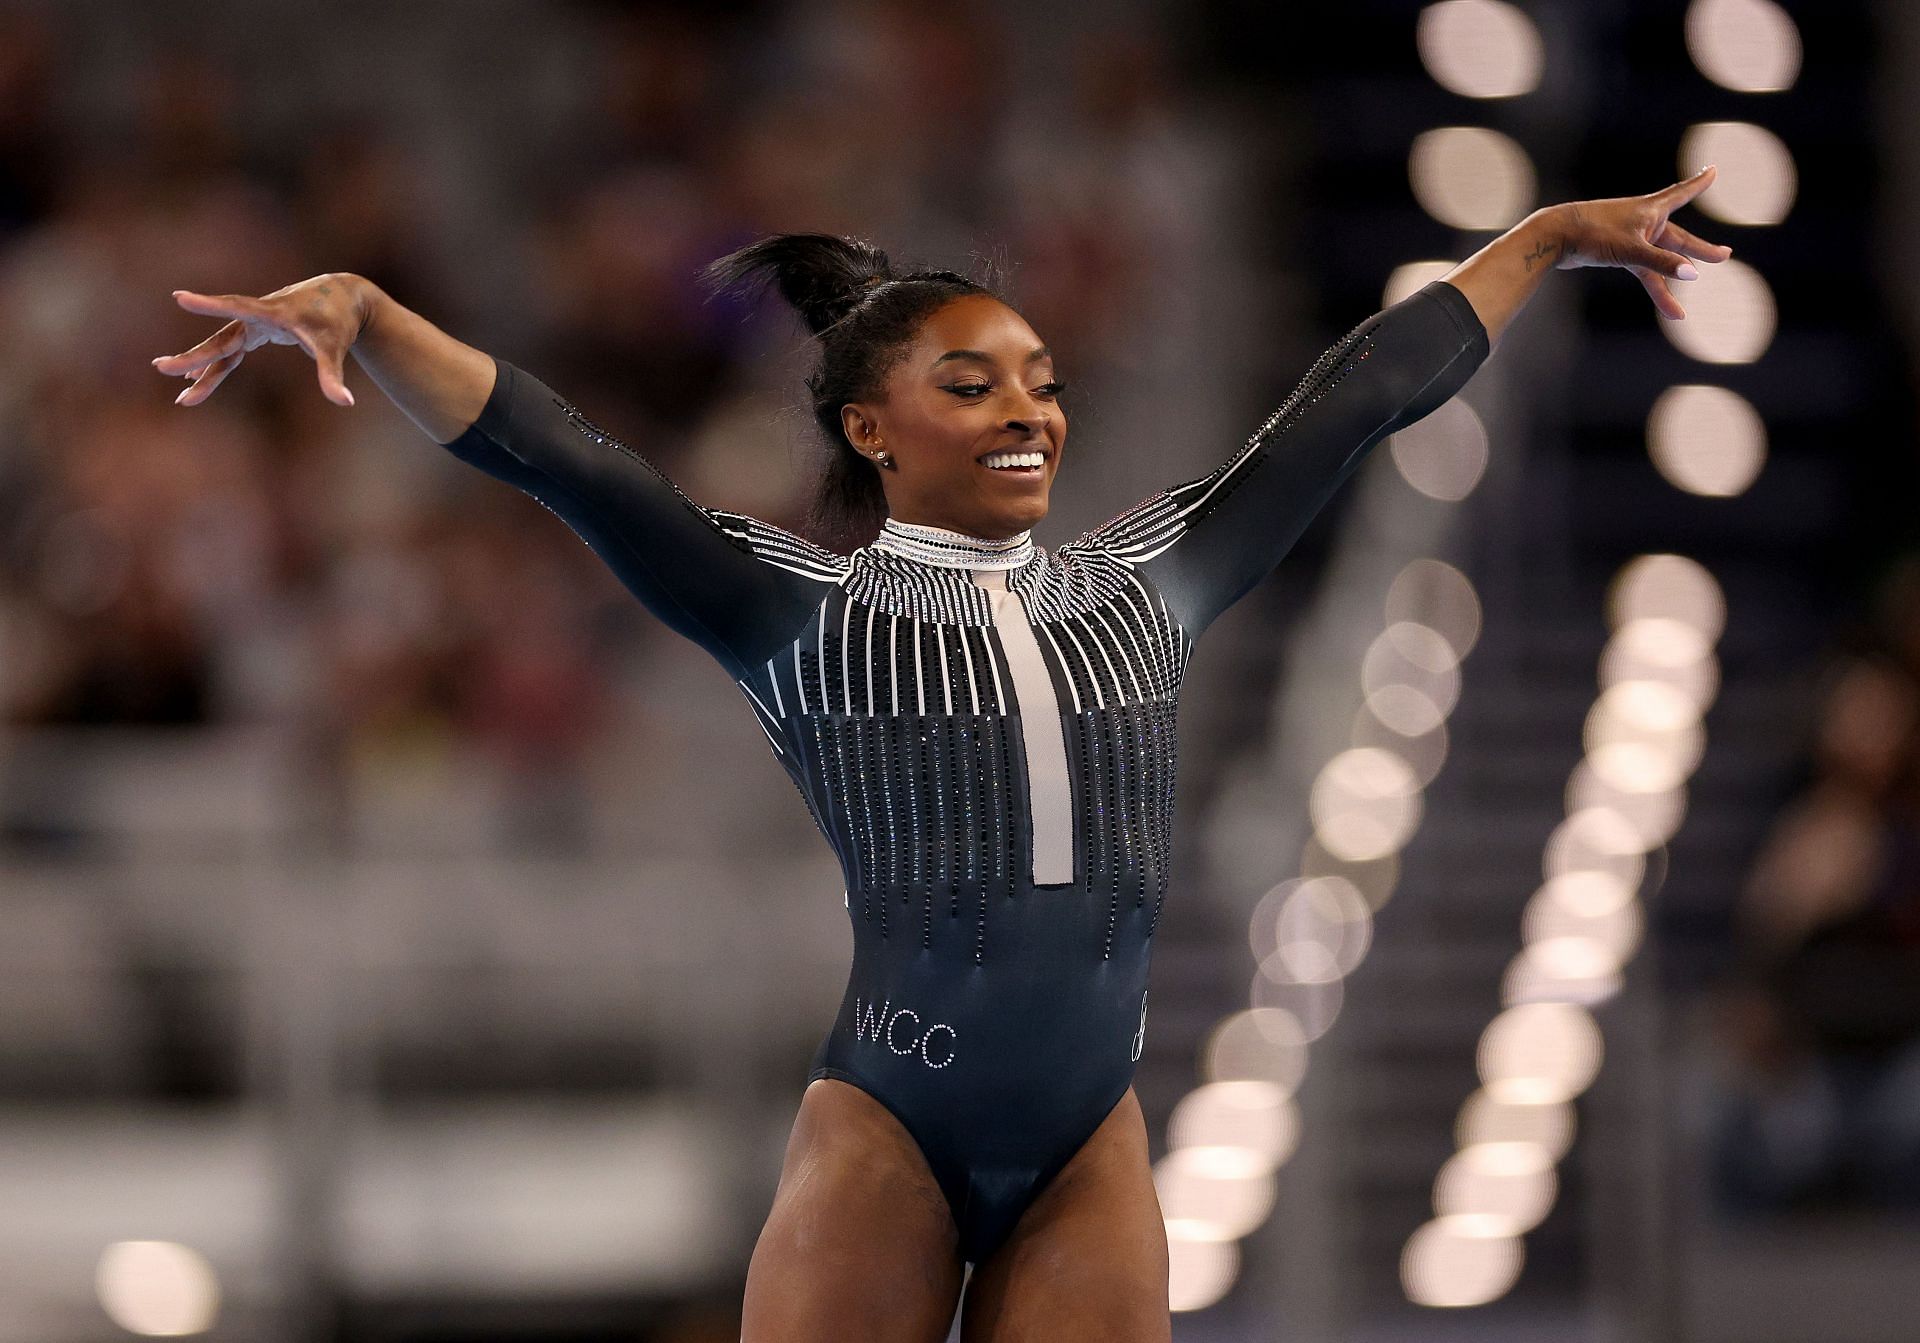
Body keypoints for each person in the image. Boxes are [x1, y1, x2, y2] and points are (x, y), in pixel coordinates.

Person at [152, 167, 1730, 1342]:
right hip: (888, 1136)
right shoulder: (798, 615)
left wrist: (1547, 239)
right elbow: (566, 458)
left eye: (1041, 381)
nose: (1027, 411)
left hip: (1088, 1137)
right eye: (970, 386)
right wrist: (365, 312)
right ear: (871, 431)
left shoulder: (1153, 580)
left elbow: (1354, 401)